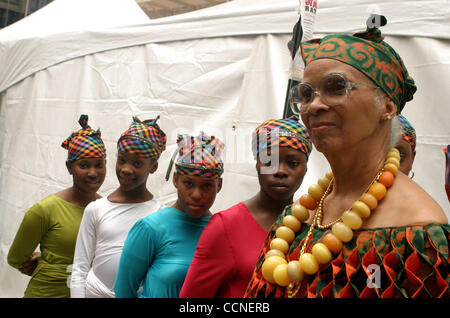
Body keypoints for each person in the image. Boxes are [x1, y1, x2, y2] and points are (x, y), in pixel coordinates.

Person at [245, 15, 449, 298]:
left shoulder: (418, 233)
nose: (313, 105)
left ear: (387, 106)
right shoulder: (293, 221)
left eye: (336, 87)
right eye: (306, 93)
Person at [179, 117, 312, 298]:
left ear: (305, 168)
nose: (280, 171)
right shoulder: (226, 226)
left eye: (293, 163)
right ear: (257, 164)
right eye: (269, 161)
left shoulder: (315, 223)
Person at [114, 132, 224, 298]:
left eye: (207, 186)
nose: (196, 194)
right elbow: (124, 291)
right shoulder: (151, 229)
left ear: (219, 186)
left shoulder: (223, 232)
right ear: (175, 180)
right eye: (188, 183)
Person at [7, 115, 107, 298]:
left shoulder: (106, 208)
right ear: (69, 167)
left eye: (99, 165)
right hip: (46, 292)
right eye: (84, 165)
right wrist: (47, 263)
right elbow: (16, 258)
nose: (93, 173)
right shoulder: (45, 210)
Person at [70, 116, 166, 298]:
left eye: (137, 163)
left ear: (153, 167)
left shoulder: (159, 214)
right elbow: (79, 269)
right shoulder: (96, 209)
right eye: (122, 160)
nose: (126, 169)